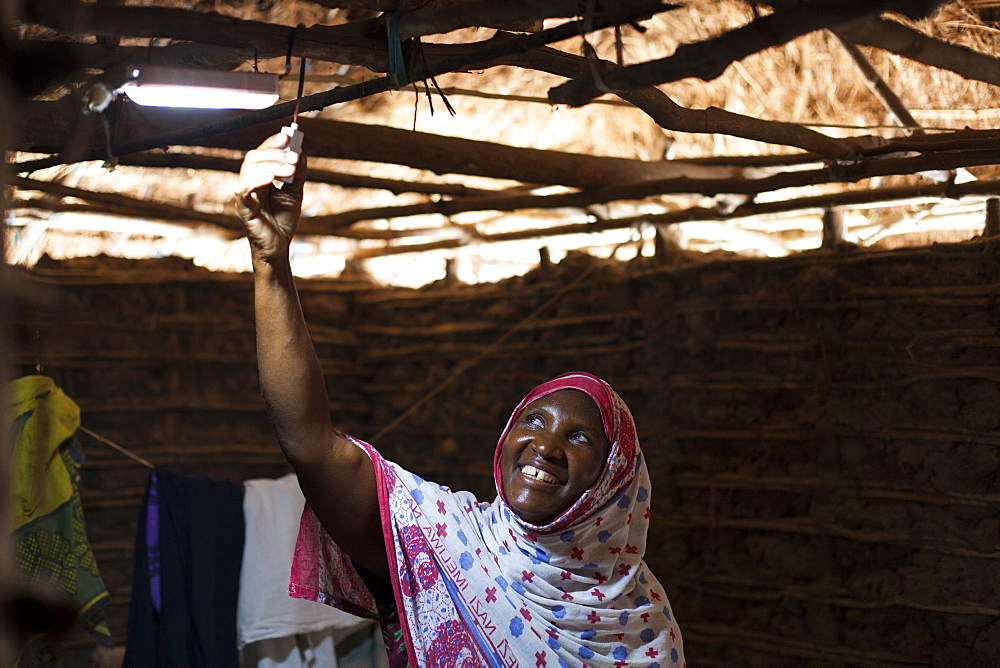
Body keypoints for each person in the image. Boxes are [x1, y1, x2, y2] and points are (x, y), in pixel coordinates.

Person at [234, 132, 685, 667]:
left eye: (580, 436)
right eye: (533, 420)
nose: (544, 445)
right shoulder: (444, 545)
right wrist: (271, 263)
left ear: (616, 482)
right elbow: (311, 446)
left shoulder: (645, 635)